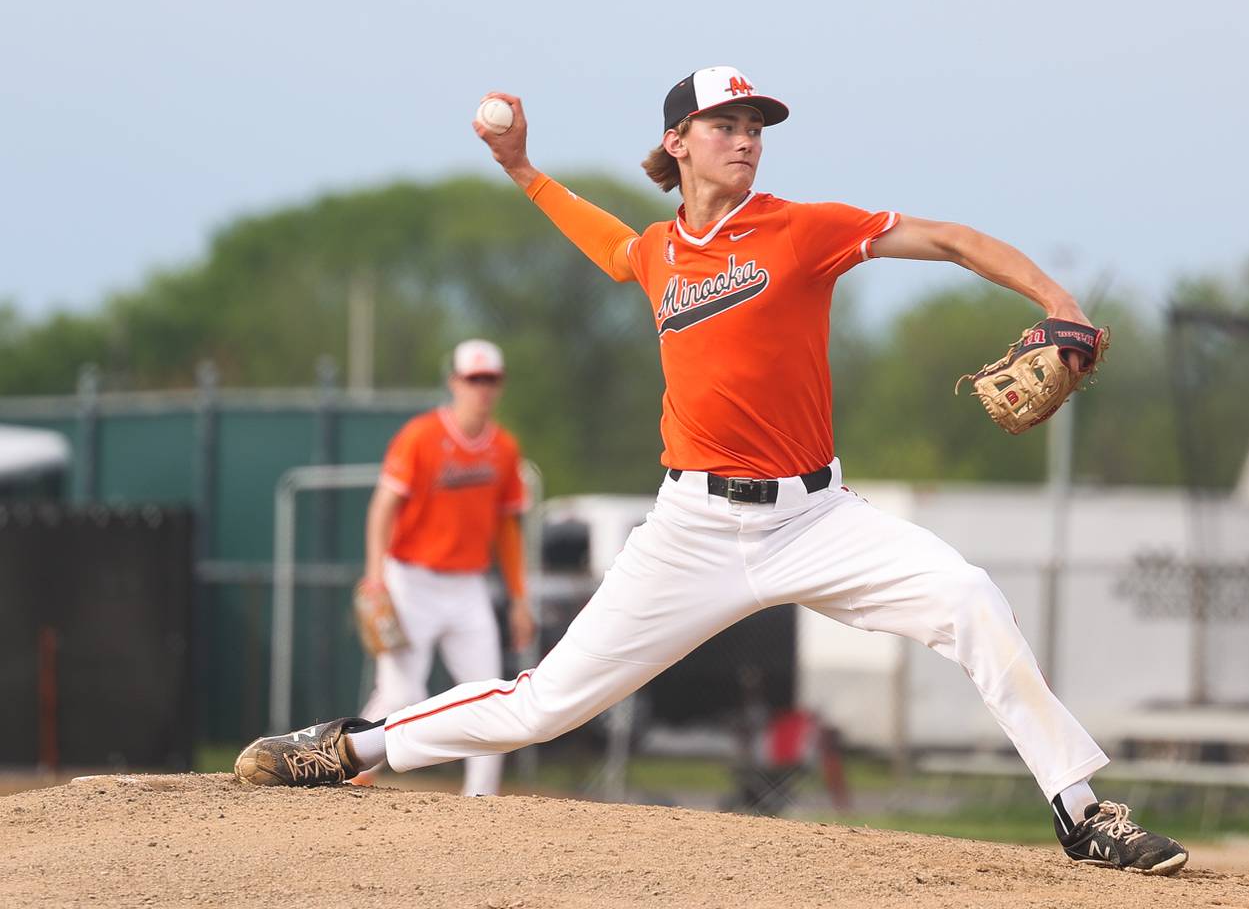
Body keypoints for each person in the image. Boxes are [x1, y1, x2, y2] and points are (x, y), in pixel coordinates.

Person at [235, 66, 1187, 875]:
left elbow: (948, 239)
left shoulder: (802, 229)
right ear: (678, 142)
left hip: (817, 519)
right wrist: (523, 170)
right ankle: (348, 747)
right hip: (691, 530)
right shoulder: (656, 252)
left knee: (972, 597)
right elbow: (603, 237)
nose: (746, 139)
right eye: (725, 124)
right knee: (544, 705)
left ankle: (1080, 810)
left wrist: (1058, 300)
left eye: (755, 126)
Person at [352, 338, 534, 796]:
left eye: (490, 379)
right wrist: (375, 577)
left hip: (468, 586)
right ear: (454, 381)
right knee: (400, 693)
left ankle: (482, 805)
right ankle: (351, 768)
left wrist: (519, 599)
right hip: (411, 579)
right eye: (474, 379)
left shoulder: (504, 449)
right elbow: (382, 508)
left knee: (492, 699)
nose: (482, 388)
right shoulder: (421, 436)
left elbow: (508, 531)